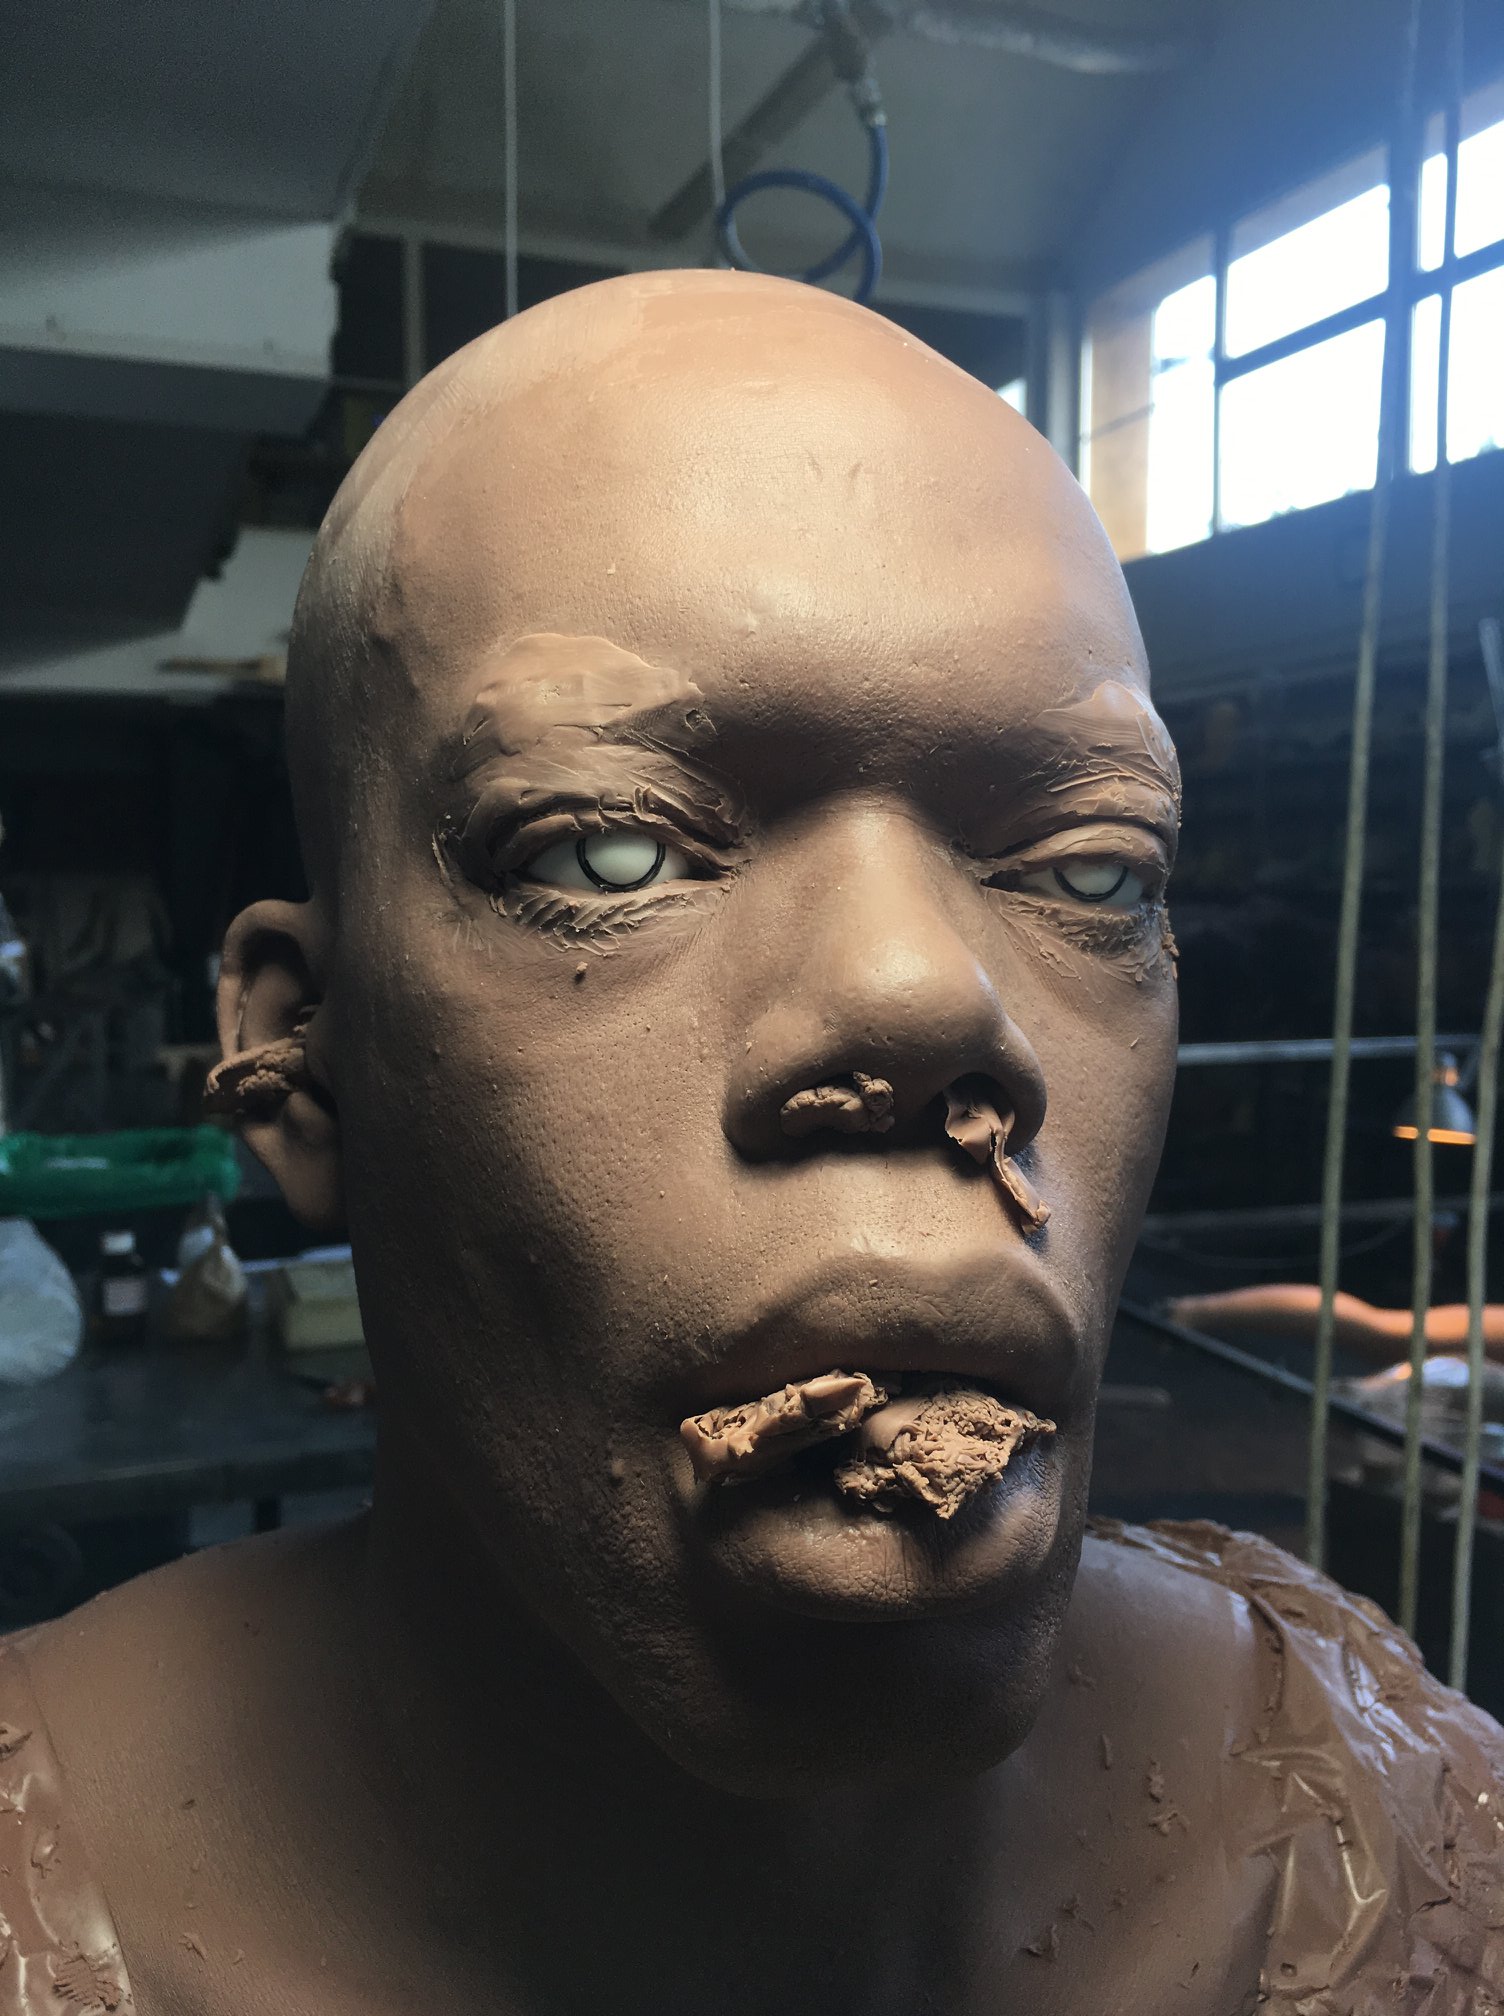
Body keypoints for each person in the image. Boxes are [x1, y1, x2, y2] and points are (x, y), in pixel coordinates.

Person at [4, 271, 1499, 2015]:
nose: (920, 996)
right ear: (303, 1071)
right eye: (607, 854)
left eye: (1094, 872)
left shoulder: (1398, 1832)